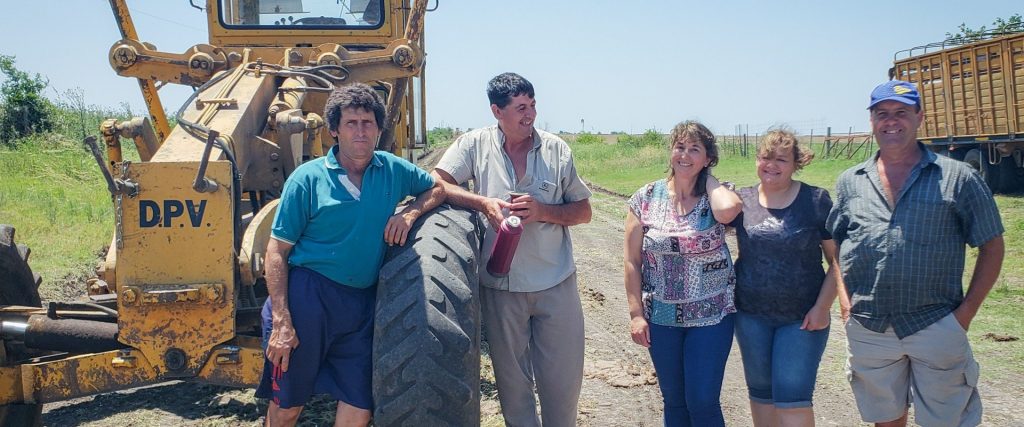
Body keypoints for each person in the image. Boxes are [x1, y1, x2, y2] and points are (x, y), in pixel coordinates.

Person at [256, 82, 445, 427]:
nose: (361, 131)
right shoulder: (307, 179)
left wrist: (411, 212)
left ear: (378, 129)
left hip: (360, 306)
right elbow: (276, 252)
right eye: (351, 123)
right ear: (334, 131)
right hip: (307, 299)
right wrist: (282, 322)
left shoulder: (391, 168)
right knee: (287, 407)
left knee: (360, 403)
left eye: (368, 123)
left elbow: (436, 188)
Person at [827, 80, 1005, 427]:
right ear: (872, 121)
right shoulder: (851, 181)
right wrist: (845, 302)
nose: (891, 122)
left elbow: (992, 245)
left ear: (919, 117)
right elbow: (835, 243)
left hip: (936, 323)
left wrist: (964, 315)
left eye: (901, 113)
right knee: (886, 419)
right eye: (882, 114)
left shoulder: (958, 177)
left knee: (946, 421)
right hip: (870, 326)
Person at [432, 72, 592, 426]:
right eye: (520, 108)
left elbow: (584, 211)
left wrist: (543, 211)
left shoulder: (556, 149)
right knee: (514, 390)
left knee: (562, 388)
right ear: (496, 111)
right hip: (501, 288)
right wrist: (482, 203)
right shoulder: (474, 145)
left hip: (555, 284)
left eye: (533, 105)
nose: (530, 115)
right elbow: (437, 182)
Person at [623, 120, 742, 427]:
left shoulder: (716, 196)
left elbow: (729, 212)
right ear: (670, 151)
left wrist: (708, 179)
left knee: (702, 402)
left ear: (708, 157)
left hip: (712, 315)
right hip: (661, 316)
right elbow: (632, 260)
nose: (685, 155)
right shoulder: (646, 197)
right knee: (674, 402)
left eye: (695, 149)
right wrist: (637, 314)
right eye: (679, 147)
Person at [729, 128, 838, 427]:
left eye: (781, 159)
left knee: (793, 398)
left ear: (796, 163)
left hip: (802, 319)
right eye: (765, 157)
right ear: (756, 159)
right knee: (761, 395)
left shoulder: (815, 200)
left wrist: (823, 308)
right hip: (750, 315)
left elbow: (837, 259)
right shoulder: (742, 201)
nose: (771, 165)